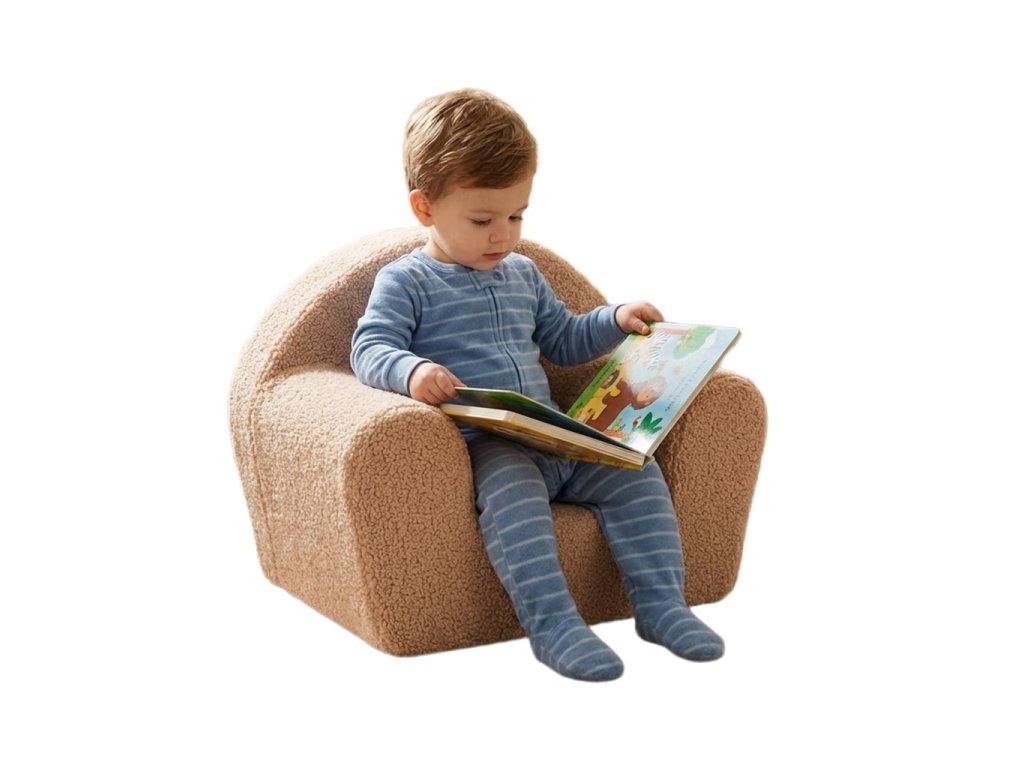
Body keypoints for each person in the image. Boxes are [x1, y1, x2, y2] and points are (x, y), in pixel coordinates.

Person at [350, 88, 724, 681]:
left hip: (556, 437)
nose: (503, 235)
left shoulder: (523, 273)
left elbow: (564, 339)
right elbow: (368, 347)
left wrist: (615, 320)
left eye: (517, 216)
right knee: (513, 495)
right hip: (492, 447)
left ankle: (661, 607)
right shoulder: (407, 282)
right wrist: (412, 371)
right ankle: (553, 626)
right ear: (425, 208)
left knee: (636, 471)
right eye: (482, 220)